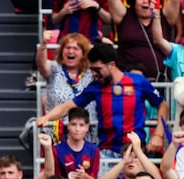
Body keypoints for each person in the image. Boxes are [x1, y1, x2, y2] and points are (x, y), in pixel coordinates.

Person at [36, 41, 168, 159]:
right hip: (106, 152)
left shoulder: (138, 81)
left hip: (135, 151)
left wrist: (158, 135)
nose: (93, 74)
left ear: (111, 65)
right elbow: (67, 106)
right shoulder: (95, 87)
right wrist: (47, 117)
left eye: (97, 69)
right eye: (91, 69)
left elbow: (162, 105)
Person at [36, 31, 97, 143]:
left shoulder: (92, 72)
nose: (71, 51)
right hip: (56, 134)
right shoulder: (55, 68)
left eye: (76, 48)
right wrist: (43, 45)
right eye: (67, 48)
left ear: (84, 53)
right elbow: (41, 64)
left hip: (87, 133)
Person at [108, 0, 180, 82]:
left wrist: (156, 14)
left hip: (158, 82)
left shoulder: (164, 17)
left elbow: (175, 1)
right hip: (128, 83)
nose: (145, 1)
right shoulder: (124, 15)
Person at [53, 107, 100, 179]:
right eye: (74, 124)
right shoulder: (57, 150)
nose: (77, 129)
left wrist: (85, 177)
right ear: (68, 126)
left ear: (87, 127)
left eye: (81, 125)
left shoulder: (94, 150)